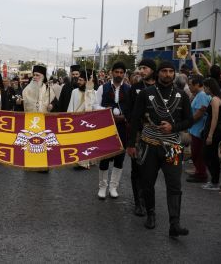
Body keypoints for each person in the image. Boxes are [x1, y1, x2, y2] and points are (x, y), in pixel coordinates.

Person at [127, 60, 193, 238]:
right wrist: (131, 144)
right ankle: (150, 214)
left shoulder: (182, 95)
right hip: (149, 146)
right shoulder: (145, 93)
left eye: (171, 71)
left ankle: (175, 224)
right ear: (158, 73)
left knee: (175, 185)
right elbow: (135, 119)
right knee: (147, 183)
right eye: (164, 71)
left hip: (172, 147)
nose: (168, 74)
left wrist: (174, 127)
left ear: (174, 74)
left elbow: (190, 120)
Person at [127, 58, 156, 216]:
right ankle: (138, 202)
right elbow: (130, 112)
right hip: (138, 135)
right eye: (140, 68)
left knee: (151, 170)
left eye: (145, 68)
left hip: (157, 136)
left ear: (152, 70)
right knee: (136, 169)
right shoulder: (136, 88)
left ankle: (148, 200)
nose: (141, 71)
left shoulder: (161, 87)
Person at [97, 62, 130, 199]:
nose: (119, 75)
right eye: (116, 72)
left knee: (119, 158)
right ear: (111, 72)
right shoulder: (102, 88)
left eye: (121, 72)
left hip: (122, 127)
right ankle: (102, 187)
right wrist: (107, 112)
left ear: (124, 74)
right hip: (106, 127)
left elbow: (132, 108)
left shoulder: (129, 89)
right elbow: (95, 105)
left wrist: (124, 117)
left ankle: (113, 187)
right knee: (104, 158)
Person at [67, 69, 100, 170]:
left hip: (88, 123)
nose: (78, 82)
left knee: (88, 144)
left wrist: (89, 93)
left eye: (81, 80)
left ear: (87, 81)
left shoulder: (94, 93)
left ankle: (88, 162)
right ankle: (80, 162)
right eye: (79, 80)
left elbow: (94, 108)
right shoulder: (74, 92)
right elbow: (70, 107)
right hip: (76, 122)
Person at [201, 78, 221, 190]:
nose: (204, 89)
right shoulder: (217, 98)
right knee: (212, 156)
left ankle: (215, 182)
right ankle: (215, 180)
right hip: (215, 129)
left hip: (214, 130)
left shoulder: (215, 99)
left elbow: (215, 118)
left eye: (205, 87)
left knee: (208, 156)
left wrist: (210, 135)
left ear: (209, 87)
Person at [186, 75, 211, 183]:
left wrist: (189, 122)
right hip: (196, 129)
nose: (189, 87)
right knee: (195, 151)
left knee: (197, 152)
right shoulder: (198, 94)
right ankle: (198, 171)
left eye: (191, 85)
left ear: (197, 85)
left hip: (199, 129)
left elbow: (201, 111)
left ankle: (201, 174)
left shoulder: (202, 95)